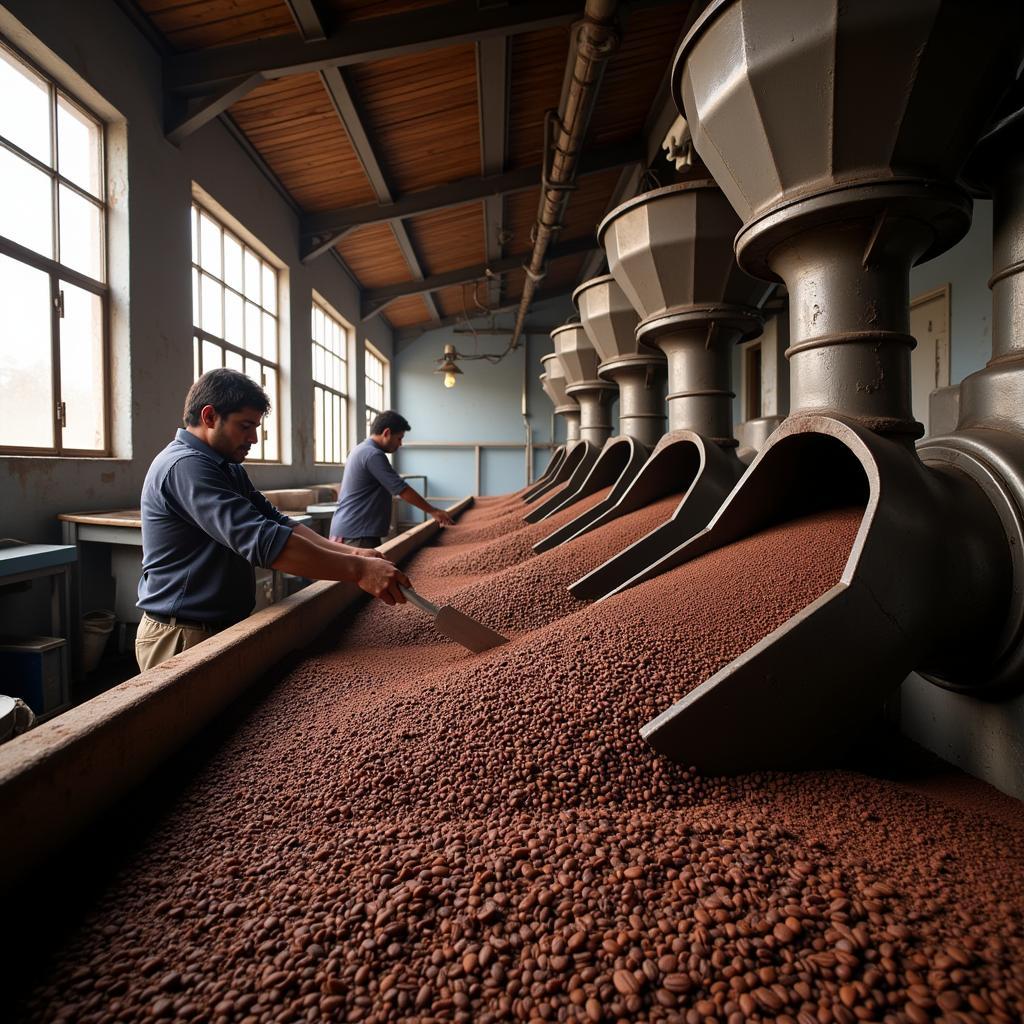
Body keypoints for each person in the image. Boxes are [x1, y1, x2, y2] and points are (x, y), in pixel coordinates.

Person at [136, 369, 409, 672]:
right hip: (184, 634)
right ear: (210, 416)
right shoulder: (186, 467)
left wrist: (352, 552)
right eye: (245, 426)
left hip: (217, 626)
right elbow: (265, 542)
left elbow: (277, 522)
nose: (254, 438)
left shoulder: (226, 467)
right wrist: (358, 570)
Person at [330, 410, 454, 548]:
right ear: (386, 433)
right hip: (358, 534)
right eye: (399, 438)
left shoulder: (360, 449)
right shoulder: (373, 455)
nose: (400, 444)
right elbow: (402, 489)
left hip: (351, 530)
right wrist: (433, 511)